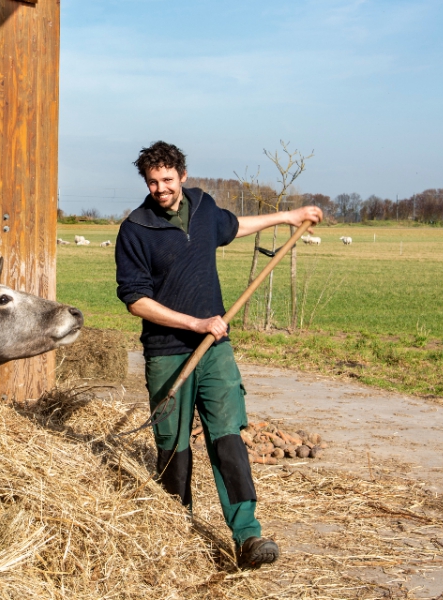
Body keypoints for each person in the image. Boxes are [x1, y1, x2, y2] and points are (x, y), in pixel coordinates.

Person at [115, 141, 323, 569]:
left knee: (228, 436)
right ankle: (175, 530)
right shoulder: (135, 228)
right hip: (168, 352)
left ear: (183, 176)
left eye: (168, 180)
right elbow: (135, 299)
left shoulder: (205, 207)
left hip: (215, 352)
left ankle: (247, 535)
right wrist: (194, 324)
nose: (161, 189)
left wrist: (290, 216)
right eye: (153, 182)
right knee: (172, 446)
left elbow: (235, 226)